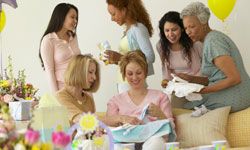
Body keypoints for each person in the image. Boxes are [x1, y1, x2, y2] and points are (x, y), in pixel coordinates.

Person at [178, 2, 250, 112]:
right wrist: (191, 79)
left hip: (236, 95)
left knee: (184, 107)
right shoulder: (211, 38)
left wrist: (203, 90)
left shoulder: (213, 42)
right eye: (186, 28)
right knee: (186, 103)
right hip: (236, 91)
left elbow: (235, 78)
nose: (188, 32)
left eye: (192, 26)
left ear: (204, 23)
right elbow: (217, 77)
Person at [107, 50, 174, 149]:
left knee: (157, 143)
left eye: (138, 73)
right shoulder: (115, 101)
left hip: (153, 142)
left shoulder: (160, 97)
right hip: (125, 143)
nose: (134, 78)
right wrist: (122, 120)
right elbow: (109, 129)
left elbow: (171, 130)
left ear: (145, 72)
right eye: (130, 74)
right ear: (124, 75)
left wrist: (160, 115)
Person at [105, 0, 155, 93]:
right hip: (124, 83)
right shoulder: (129, 30)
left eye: (113, 14)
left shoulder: (138, 28)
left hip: (132, 85)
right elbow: (130, 58)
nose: (112, 19)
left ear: (124, 10)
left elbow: (150, 57)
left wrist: (120, 58)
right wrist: (116, 60)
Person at [39, 3, 81, 93]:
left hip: (80, 87)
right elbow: (50, 72)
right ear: (62, 17)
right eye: (72, 17)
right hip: (63, 90)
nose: (75, 21)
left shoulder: (73, 37)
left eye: (76, 18)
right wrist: (57, 97)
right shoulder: (48, 40)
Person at [157, 11, 203, 88]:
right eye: (167, 30)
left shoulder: (195, 43)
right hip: (175, 85)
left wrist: (189, 82)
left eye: (174, 29)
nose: (170, 34)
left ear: (182, 29)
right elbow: (165, 70)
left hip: (196, 84)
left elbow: (203, 68)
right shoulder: (160, 46)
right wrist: (166, 82)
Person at [56, 54, 99, 124]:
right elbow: (83, 120)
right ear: (78, 72)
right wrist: (117, 119)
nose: (94, 77)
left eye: (95, 73)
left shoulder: (89, 100)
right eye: (90, 72)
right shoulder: (60, 97)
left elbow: (93, 127)